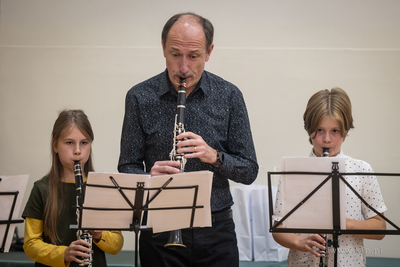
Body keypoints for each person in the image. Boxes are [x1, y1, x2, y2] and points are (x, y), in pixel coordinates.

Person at [118, 12, 258, 267]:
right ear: (163, 48)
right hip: (159, 231)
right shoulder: (139, 97)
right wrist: (149, 178)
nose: (183, 67)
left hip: (216, 231)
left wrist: (213, 157)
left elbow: (249, 170)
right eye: (175, 54)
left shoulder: (229, 96)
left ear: (209, 52)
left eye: (193, 56)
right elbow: (127, 166)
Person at [272, 88, 387, 266]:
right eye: (319, 130)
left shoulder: (361, 170)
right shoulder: (293, 171)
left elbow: (380, 228)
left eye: (335, 131)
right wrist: (300, 242)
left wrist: (341, 222)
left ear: (345, 130)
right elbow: (278, 228)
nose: (326, 139)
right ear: (309, 130)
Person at [22, 109, 124, 267]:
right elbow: (30, 244)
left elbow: (116, 245)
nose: (77, 150)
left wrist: (99, 234)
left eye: (84, 143)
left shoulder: (102, 186)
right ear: (55, 145)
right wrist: (64, 254)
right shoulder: (41, 189)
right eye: (69, 143)